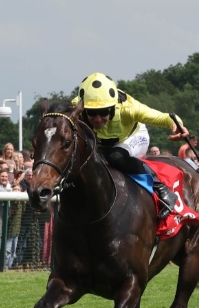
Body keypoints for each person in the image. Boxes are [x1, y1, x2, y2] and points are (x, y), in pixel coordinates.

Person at [72, 72, 188, 219]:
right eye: (92, 113)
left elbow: (164, 118)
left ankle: (162, 189)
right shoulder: (76, 106)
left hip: (133, 137)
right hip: (102, 145)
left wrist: (177, 125)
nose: (98, 119)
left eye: (103, 112)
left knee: (115, 156)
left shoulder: (129, 108)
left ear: (113, 107)